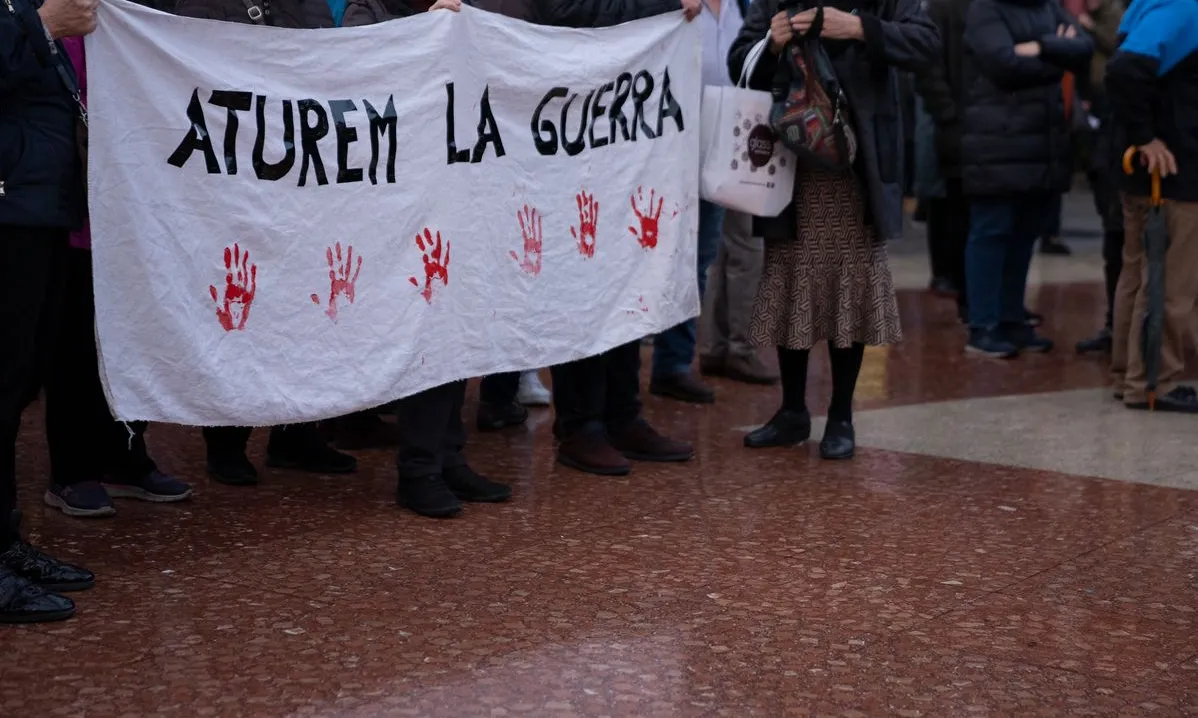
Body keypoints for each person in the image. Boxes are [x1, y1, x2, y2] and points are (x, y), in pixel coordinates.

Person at [729, 0, 938, 460]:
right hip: (791, 165)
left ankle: (842, 414)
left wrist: (860, 27)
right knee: (791, 280)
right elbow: (739, 61)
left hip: (855, 167)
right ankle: (792, 411)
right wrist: (773, 42)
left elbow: (926, 44)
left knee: (851, 285)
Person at [176, 0, 363, 487]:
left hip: (302, 162)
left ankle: (297, 430)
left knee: (303, 302)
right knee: (239, 299)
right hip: (236, 163)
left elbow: (320, 56)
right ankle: (226, 439)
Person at [527, 0, 701, 476]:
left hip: (620, 135)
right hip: (570, 135)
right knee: (581, 278)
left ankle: (623, 414)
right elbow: (562, 10)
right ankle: (580, 425)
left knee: (627, 271)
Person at [41, 36, 195, 519]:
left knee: (135, 334)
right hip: (67, 201)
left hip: (134, 204)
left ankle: (125, 456)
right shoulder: (43, 17)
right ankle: (71, 471)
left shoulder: (128, 15)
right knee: (74, 344)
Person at [1, 0, 100, 623]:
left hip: (37, 205)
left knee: (13, 388)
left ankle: (5, 544)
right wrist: (41, 26)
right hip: (10, 204)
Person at [958, 0, 1091, 358]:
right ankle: (983, 325)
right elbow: (1003, 65)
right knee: (992, 233)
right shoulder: (985, 8)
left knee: (1023, 237)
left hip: (1043, 143)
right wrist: (1058, 56)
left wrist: (1041, 47)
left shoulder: (1048, 6)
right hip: (998, 142)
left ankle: (1012, 319)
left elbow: (1084, 49)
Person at [1106, 0, 1198, 412]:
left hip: (1150, 168)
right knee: (1169, 280)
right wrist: (1146, 136)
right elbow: (1125, 70)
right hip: (1172, 171)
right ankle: (1153, 382)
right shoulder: (1186, 8)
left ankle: (1129, 373)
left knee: (1138, 271)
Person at [697, 0, 779, 388]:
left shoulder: (745, 5)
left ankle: (739, 347)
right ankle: (708, 347)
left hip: (741, 133)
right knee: (700, 250)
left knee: (744, 243)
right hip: (684, 139)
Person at [1075, 0, 1128, 355]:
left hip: (1120, 136)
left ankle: (1124, 330)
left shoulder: (1120, 15)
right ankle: (1118, 328)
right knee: (1117, 241)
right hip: (1107, 135)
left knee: (1124, 242)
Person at [914, 0, 970, 324]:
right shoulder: (941, 10)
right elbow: (928, 67)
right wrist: (948, 115)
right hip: (949, 122)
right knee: (946, 200)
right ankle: (946, 273)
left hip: (966, 122)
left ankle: (958, 279)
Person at [700, 210, 779, 386]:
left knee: (720, 250)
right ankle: (741, 351)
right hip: (744, 184)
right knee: (748, 252)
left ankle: (714, 347)